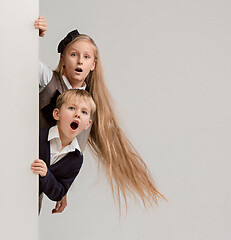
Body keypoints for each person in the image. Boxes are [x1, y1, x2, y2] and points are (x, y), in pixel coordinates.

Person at [34, 17, 166, 214]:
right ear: (62, 58)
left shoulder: (89, 109)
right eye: (73, 54)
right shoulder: (48, 80)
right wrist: (33, 35)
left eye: (86, 57)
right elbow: (23, 57)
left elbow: (72, 149)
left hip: (38, 179)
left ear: (93, 65)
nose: (80, 61)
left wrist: (63, 187)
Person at [31, 89, 96, 213]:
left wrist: (46, 175)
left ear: (87, 124)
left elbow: (59, 193)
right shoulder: (37, 137)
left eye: (84, 112)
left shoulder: (76, 159)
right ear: (57, 114)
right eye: (72, 108)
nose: (77, 114)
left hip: (29, 203)